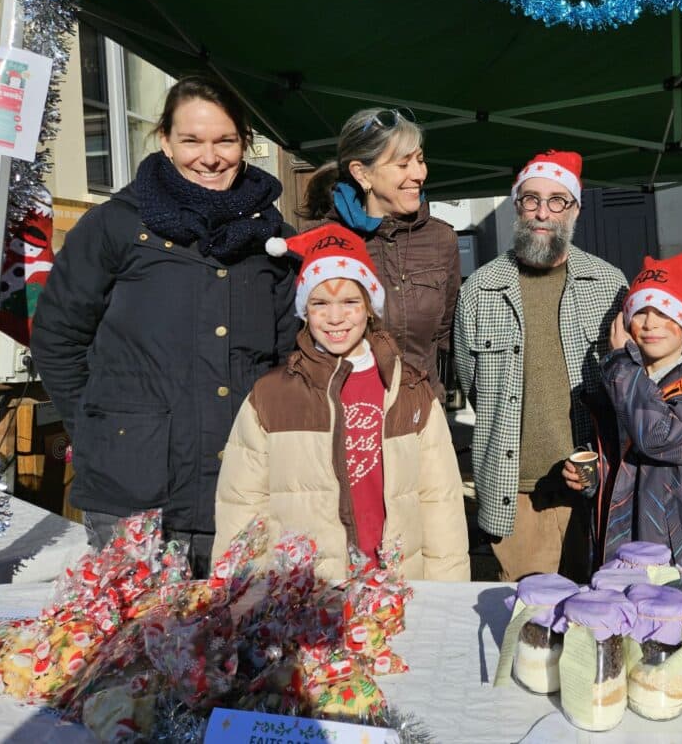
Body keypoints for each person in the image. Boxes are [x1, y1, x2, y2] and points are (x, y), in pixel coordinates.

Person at [31, 75, 298, 576]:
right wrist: (97, 428)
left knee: (235, 644)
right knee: (139, 640)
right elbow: (57, 339)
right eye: (192, 140)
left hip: (241, 485)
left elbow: (286, 359)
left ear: (245, 142)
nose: (210, 157)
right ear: (166, 141)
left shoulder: (274, 240)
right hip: (134, 488)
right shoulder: (115, 226)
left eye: (225, 140)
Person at [213, 224, 470, 581]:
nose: (335, 318)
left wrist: (447, 595)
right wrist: (242, 597)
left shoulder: (410, 390)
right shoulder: (272, 396)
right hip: (305, 594)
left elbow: (440, 502)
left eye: (349, 302)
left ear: (369, 307)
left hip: (398, 584)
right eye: (320, 303)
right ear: (305, 310)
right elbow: (242, 505)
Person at [453, 150, 627, 582]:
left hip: (592, 489)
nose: (542, 212)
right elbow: (468, 379)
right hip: (516, 495)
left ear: (575, 210)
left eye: (557, 201)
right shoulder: (480, 288)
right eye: (531, 199)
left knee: (594, 620)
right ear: (517, 206)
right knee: (528, 628)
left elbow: (627, 382)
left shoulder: (610, 285)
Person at [563, 253, 682, 561]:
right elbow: (625, 456)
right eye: (640, 312)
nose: (651, 324)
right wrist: (592, 475)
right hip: (625, 541)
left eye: (665, 313)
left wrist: (619, 362)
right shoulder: (627, 381)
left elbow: (656, 437)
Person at [302, 108, 460, 401]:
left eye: (420, 160)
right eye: (403, 165)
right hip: (348, 417)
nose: (419, 174)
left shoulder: (441, 240)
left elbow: (443, 335)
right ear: (362, 173)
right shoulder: (320, 242)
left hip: (422, 420)